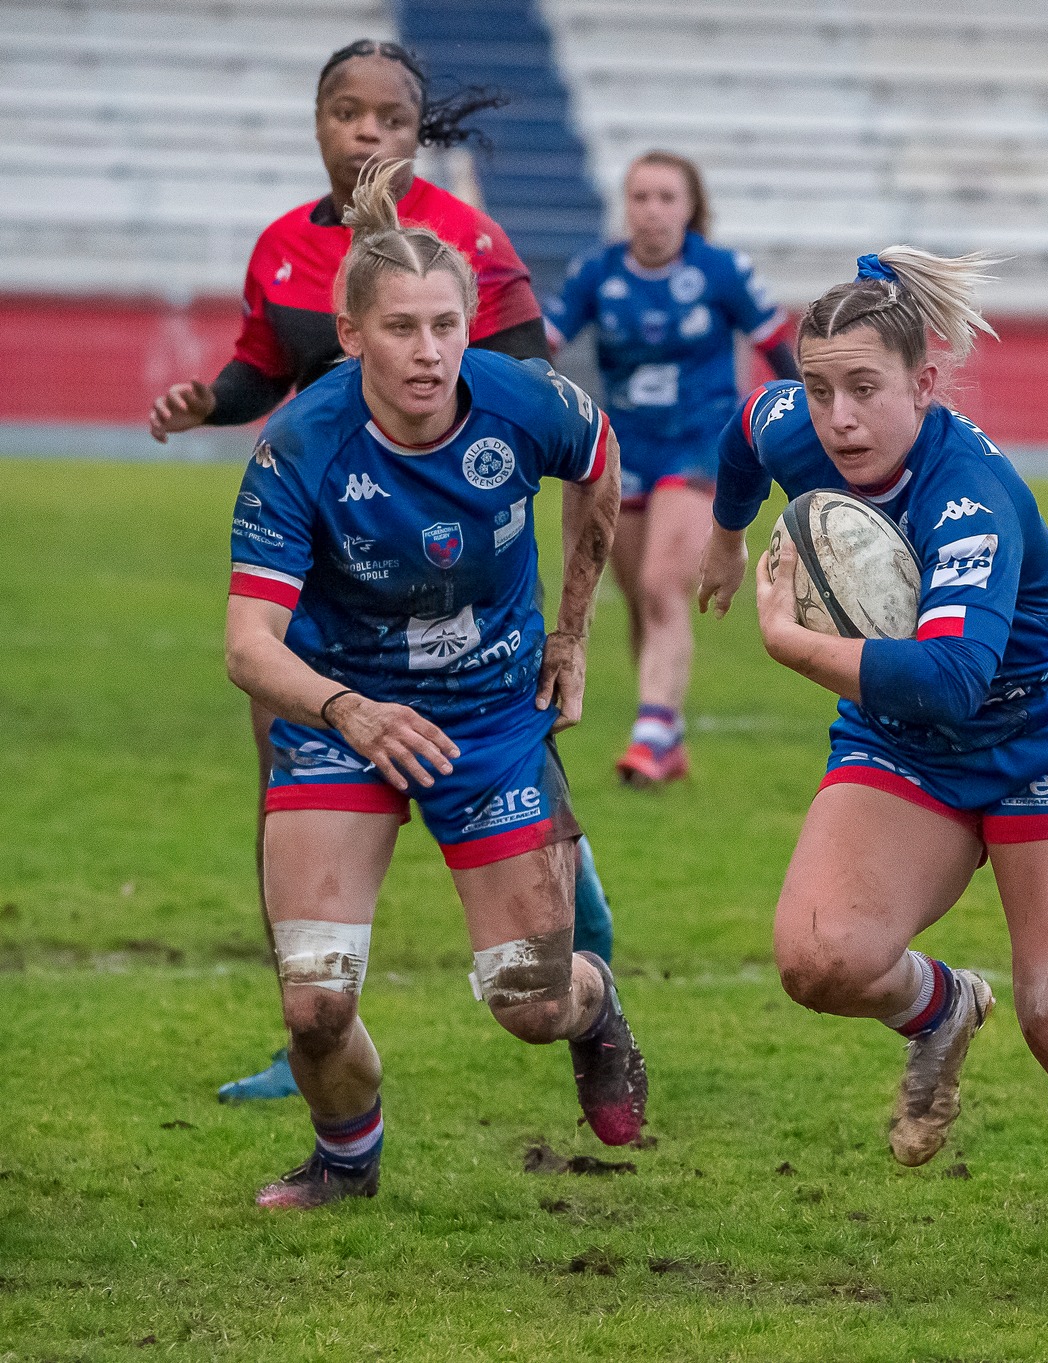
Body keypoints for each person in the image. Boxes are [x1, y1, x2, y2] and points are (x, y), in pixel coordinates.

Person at [696, 247, 1048, 1283]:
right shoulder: (799, 424)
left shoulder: (967, 492)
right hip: (909, 744)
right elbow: (743, 433)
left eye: (865, 390)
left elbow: (951, 679)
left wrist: (795, 645)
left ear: (922, 384)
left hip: (1044, 735)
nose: (837, 418)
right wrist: (718, 536)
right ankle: (938, 1008)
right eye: (820, 388)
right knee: (818, 958)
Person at [144, 38, 615, 1099]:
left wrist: (549, 603)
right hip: (319, 576)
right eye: (346, 114)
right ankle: (310, 1027)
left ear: (415, 135)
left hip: (464, 598)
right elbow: (261, 370)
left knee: (529, 975)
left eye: (389, 119)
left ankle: (571, 916)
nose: (365, 135)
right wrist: (208, 403)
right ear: (318, 124)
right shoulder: (279, 252)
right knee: (293, 800)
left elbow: (539, 400)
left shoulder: (471, 245)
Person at [223, 159, 643, 1208]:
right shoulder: (300, 446)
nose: (428, 351)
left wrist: (573, 631)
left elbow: (600, 461)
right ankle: (346, 1162)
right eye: (402, 327)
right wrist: (347, 709)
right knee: (314, 1007)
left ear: (468, 325)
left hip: (492, 717)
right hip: (340, 718)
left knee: (527, 1000)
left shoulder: (523, 402)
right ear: (352, 331)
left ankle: (595, 1012)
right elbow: (247, 646)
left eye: (446, 325)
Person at [544, 151, 799, 785]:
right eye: (640, 197)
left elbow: (779, 351)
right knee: (639, 599)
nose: (652, 211)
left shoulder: (720, 270)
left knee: (662, 587)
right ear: (624, 206)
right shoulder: (597, 273)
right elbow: (540, 342)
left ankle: (651, 733)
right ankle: (668, 733)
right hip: (625, 449)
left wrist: (811, 420)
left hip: (700, 445)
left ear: (690, 208)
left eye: (667, 198)